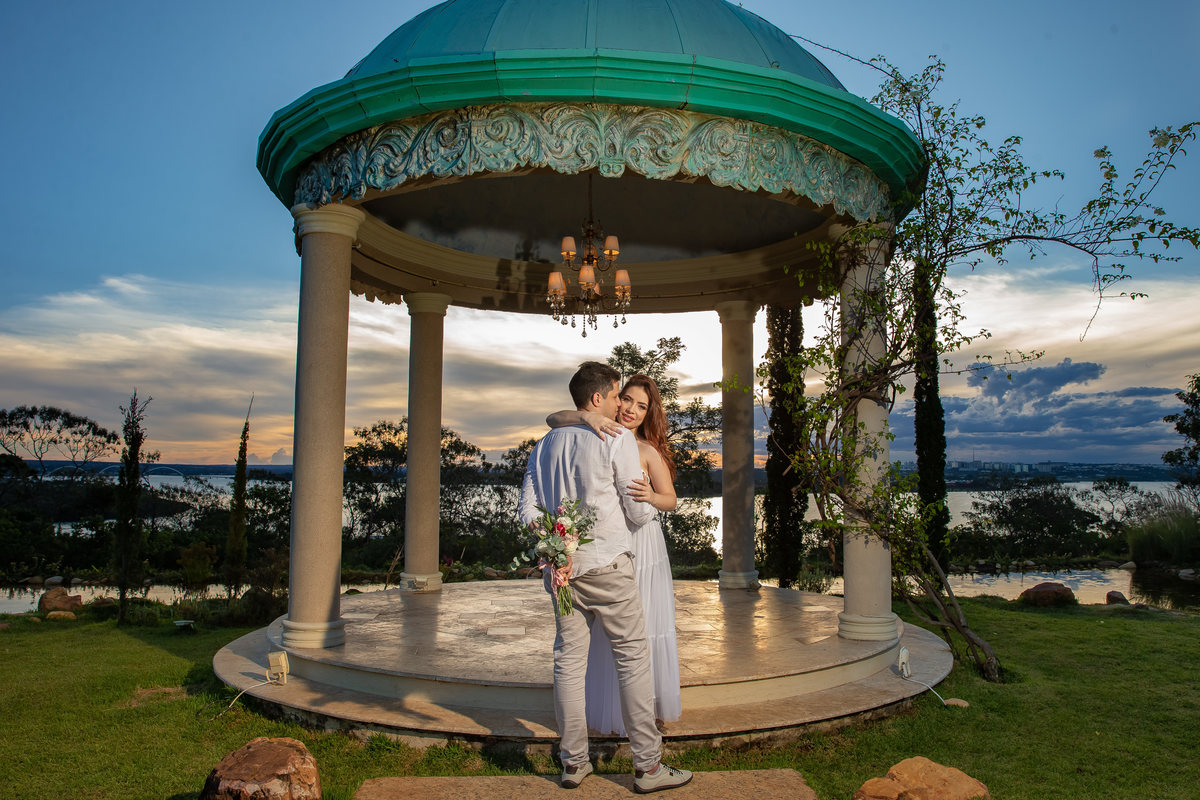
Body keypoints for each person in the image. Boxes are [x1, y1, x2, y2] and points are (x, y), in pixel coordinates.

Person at [519, 361, 692, 793]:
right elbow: (636, 510)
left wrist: (559, 547)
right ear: (597, 399)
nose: (620, 405)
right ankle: (648, 768)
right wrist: (649, 506)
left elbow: (526, 514)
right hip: (608, 567)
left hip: (561, 572)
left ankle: (573, 764)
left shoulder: (542, 447)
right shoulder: (615, 440)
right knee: (633, 660)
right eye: (617, 395)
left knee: (567, 664)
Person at [546, 373, 682, 735]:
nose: (632, 410)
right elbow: (554, 418)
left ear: (649, 413)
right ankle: (602, 708)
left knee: (644, 625)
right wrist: (587, 417)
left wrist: (651, 496)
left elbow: (671, 500)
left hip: (643, 541)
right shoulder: (598, 433)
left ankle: (644, 711)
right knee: (607, 633)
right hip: (606, 545)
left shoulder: (647, 451)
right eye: (627, 400)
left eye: (642, 406)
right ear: (613, 399)